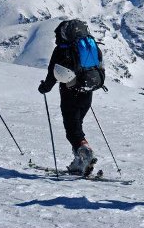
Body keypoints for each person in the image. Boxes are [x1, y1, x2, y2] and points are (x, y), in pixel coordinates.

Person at [38, 20, 102, 176]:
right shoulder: (90, 45)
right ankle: (79, 161)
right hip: (88, 90)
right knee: (76, 126)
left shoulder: (62, 49)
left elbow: (52, 73)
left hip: (70, 93)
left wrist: (45, 87)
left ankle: (85, 153)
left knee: (72, 130)